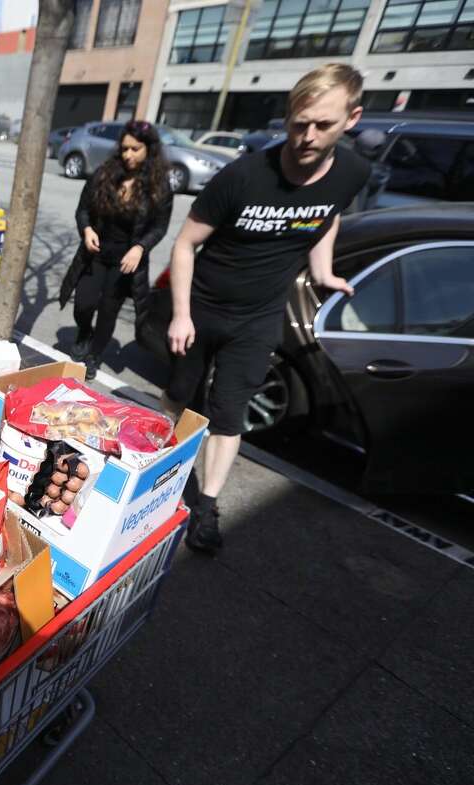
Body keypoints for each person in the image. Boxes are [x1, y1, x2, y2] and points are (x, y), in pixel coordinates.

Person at [163, 63, 371, 553]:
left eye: (323, 125)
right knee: (177, 398)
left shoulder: (353, 173)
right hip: (203, 308)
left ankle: (207, 507)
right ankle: (163, 475)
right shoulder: (243, 176)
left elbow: (328, 216)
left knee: (228, 413)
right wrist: (180, 315)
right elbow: (185, 244)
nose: (307, 136)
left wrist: (323, 271)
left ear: (352, 119)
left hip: (257, 318)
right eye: (299, 123)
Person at [60, 120, 173, 380]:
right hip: (96, 253)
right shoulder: (105, 174)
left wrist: (140, 247)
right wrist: (86, 230)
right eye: (124, 149)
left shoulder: (159, 186)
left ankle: (93, 356)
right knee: (84, 304)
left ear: (149, 149)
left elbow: (160, 226)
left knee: (109, 311)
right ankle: (84, 332)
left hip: (126, 261)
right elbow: (83, 210)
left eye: (135, 149)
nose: (128, 155)